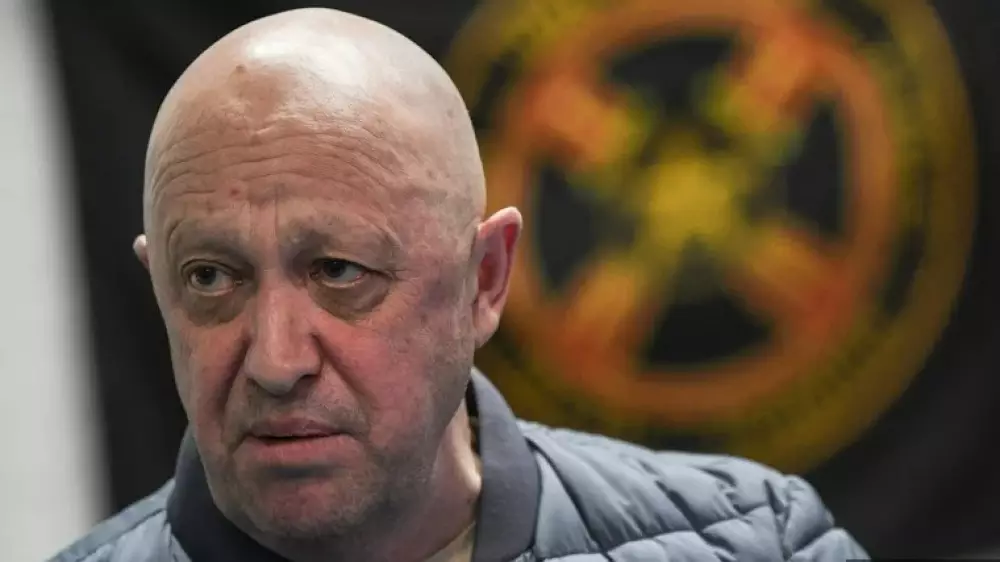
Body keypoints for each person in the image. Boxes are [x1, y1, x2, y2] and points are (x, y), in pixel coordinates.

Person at [50, 7, 867, 562]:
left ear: (484, 281)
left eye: (339, 271)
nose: (275, 360)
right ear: (157, 287)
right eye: (210, 278)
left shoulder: (759, 544)